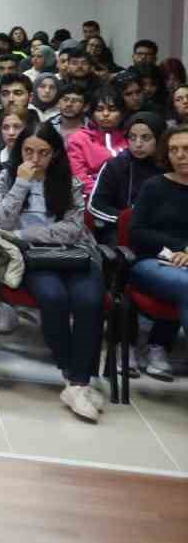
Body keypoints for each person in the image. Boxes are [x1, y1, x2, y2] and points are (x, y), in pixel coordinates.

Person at [0, 122, 106, 423]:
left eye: (43, 153)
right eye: (28, 151)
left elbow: (72, 229)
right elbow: (0, 221)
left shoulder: (69, 180)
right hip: (35, 259)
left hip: (76, 254)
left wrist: (26, 234)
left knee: (89, 301)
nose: (34, 159)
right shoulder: (8, 176)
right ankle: (76, 379)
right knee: (53, 298)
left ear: (55, 154)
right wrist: (21, 184)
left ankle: (77, 383)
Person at [128, 124, 188, 382]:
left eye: (186, 149)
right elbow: (137, 232)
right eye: (173, 150)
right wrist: (179, 248)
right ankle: (158, 345)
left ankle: (160, 346)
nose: (180, 155)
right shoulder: (155, 186)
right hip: (151, 262)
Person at [88, 110, 165, 246]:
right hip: (119, 231)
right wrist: (126, 219)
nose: (138, 144)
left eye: (146, 138)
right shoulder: (116, 165)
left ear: (159, 139)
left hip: (162, 232)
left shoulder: (169, 166)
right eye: (132, 137)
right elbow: (96, 205)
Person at [67, 86, 128, 195]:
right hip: (90, 198)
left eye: (112, 109)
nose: (105, 114)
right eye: (99, 109)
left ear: (122, 113)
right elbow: (79, 176)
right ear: (92, 113)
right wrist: (101, 194)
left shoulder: (130, 138)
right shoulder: (78, 139)